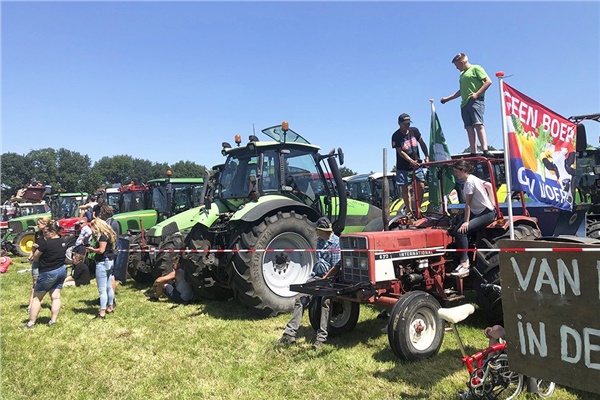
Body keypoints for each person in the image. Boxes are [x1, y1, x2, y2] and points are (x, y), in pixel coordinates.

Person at [277, 217, 341, 349]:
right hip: (316, 276)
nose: (316, 233)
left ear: (323, 231)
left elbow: (336, 267)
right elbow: (317, 261)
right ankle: (289, 334)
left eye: (318, 231)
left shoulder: (336, 244)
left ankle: (321, 338)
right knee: (300, 298)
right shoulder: (319, 241)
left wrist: (324, 279)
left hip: (330, 279)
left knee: (325, 301)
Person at [450, 160, 496, 277]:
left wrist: (466, 222)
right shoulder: (473, 178)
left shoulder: (469, 183)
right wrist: (493, 202)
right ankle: (465, 253)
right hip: (479, 211)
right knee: (455, 230)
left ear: (463, 170)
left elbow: (468, 204)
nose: (456, 174)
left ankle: (465, 263)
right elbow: (489, 185)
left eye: (456, 172)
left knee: (461, 232)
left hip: (486, 213)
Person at [441, 53, 492, 156]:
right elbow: (461, 91)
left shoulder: (476, 68)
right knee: (469, 127)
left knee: (478, 124)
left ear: (462, 62)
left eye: (457, 65)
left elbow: (488, 81)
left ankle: (485, 150)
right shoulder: (462, 74)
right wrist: (448, 98)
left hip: (475, 101)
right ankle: (473, 151)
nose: (456, 68)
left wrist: (477, 94)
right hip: (464, 103)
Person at [20, 221, 68, 328]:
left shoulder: (46, 243)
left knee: (37, 298)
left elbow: (35, 257)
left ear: (52, 232)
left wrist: (34, 250)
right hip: (62, 270)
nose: (44, 235)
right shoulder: (63, 241)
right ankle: (53, 321)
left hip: (48, 272)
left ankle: (31, 323)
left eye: (46, 233)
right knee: (55, 297)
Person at [391, 113, 429, 216]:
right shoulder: (396, 136)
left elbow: (422, 143)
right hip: (403, 167)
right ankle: (409, 210)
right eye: (404, 124)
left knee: (421, 185)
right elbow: (400, 151)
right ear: (399, 123)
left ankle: (418, 208)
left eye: (408, 123)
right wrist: (410, 161)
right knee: (405, 188)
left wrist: (426, 155)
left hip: (417, 164)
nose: (407, 126)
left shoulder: (414, 131)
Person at [86, 218, 117, 319]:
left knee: (102, 289)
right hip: (110, 261)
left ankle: (102, 312)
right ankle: (110, 306)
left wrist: (92, 249)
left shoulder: (102, 237)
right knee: (108, 286)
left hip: (103, 263)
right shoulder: (109, 235)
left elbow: (101, 250)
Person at [27, 216, 51, 315]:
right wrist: (32, 252)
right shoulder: (36, 234)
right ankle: (30, 305)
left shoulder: (50, 234)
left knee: (50, 282)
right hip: (37, 260)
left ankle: (53, 302)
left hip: (47, 260)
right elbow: (34, 246)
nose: (37, 225)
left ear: (45, 224)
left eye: (39, 224)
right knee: (35, 283)